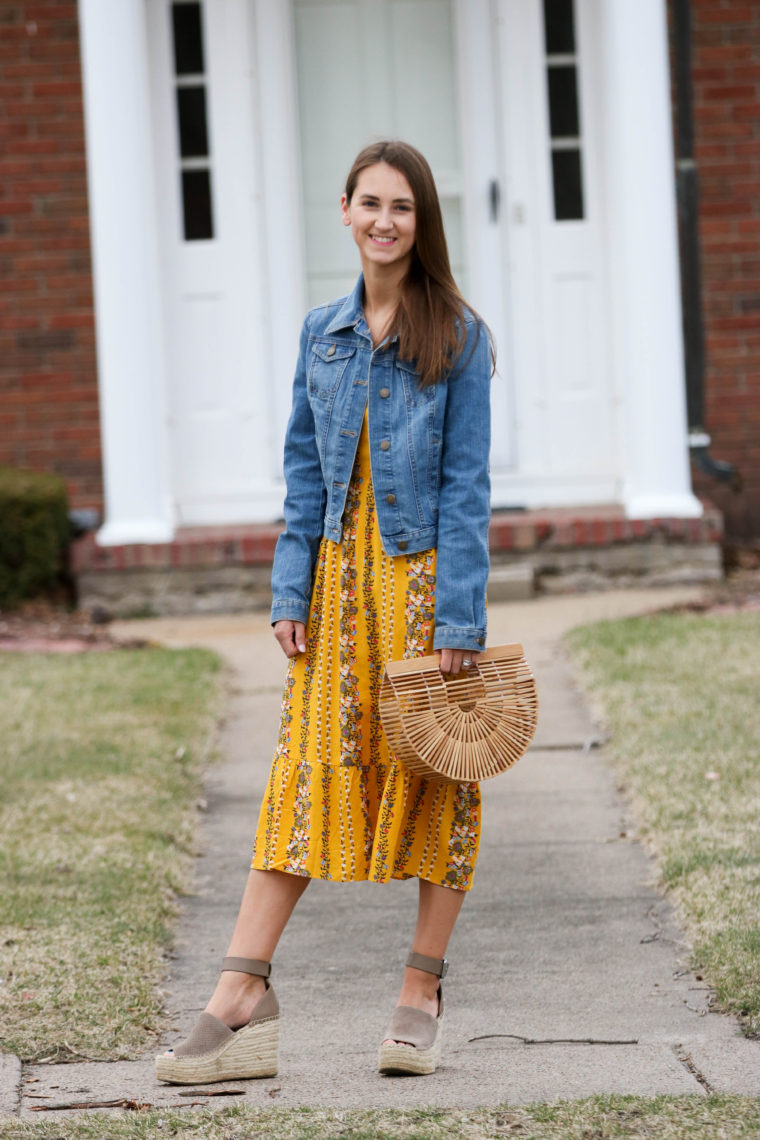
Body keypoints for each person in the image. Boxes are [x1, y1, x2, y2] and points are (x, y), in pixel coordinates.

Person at [156, 139, 493, 1085]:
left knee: (437, 776)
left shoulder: (461, 337)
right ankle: (242, 994)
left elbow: (468, 488)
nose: (386, 221)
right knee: (303, 777)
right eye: (371, 203)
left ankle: (420, 991)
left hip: (420, 590)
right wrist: (288, 587)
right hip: (337, 592)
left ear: (422, 223)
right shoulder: (323, 333)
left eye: (405, 208)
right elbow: (303, 474)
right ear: (343, 210)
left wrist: (458, 620)